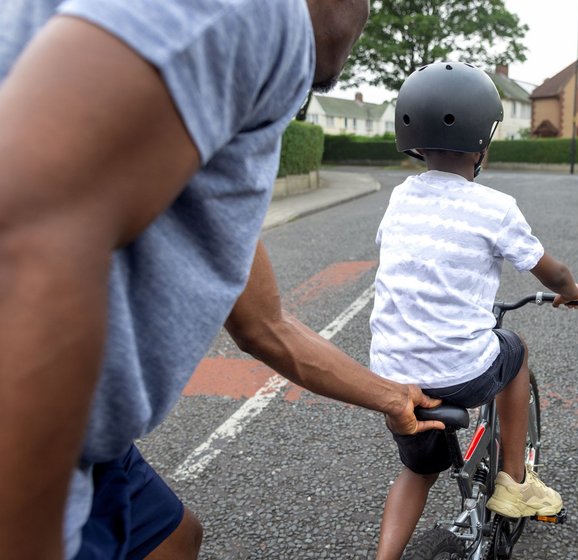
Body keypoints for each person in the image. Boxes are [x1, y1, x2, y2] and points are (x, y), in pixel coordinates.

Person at [0, 1, 446, 558]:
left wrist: (390, 396)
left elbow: (264, 325)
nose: (366, 16)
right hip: (29, 442)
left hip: (90, 441)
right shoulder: (253, 12)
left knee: (174, 538)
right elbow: (30, 235)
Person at [368, 61, 578, 559]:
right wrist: (572, 291)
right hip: (457, 373)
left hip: (390, 379)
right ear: (483, 145)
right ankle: (514, 480)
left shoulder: (400, 198)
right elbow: (549, 272)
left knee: (417, 471)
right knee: (513, 349)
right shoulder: (495, 206)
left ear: (414, 142)